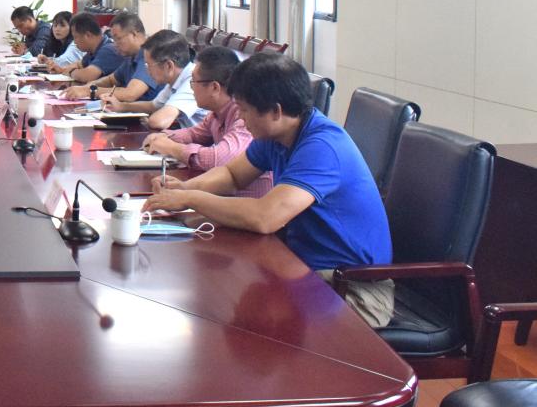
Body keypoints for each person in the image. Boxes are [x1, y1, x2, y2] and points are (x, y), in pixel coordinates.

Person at [145, 52, 394, 328]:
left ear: (275, 111)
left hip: (353, 287)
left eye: (244, 110)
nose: (241, 118)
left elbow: (265, 217)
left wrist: (191, 198)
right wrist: (183, 189)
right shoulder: (277, 134)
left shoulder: (322, 147)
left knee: (239, 314)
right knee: (224, 297)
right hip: (304, 267)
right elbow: (232, 175)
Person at [141, 46, 272, 197]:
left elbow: (218, 159)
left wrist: (170, 147)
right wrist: (164, 136)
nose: (191, 88)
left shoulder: (244, 114)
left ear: (214, 87)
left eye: (194, 82)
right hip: (225, 199)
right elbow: (194, 134)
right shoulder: (218, 112)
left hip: (244, 204)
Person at [104, 30, 206, 130]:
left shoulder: (193, 81)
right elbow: (153, 106)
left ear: (168, 66)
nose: (147, 71)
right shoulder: (176, 79)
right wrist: (121, 106)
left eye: (149, 65)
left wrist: (150, 121)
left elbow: (159, 122)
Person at [69, 12, 161, 101]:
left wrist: (89, 91)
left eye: (118, 39)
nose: (115, 44)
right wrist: (88, 87)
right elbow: (111, 80)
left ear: (133, 34)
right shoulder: (130, 57)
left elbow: (130, 94)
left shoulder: (150, 55)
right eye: (114, 39)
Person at [59, 12, 123, 87]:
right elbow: (78, 64)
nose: (74, 42)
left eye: (75, 37)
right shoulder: (93, 51)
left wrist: (71, 72)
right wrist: (61, 70)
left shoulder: (108, 49)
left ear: (88, 35)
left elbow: (87, 76)